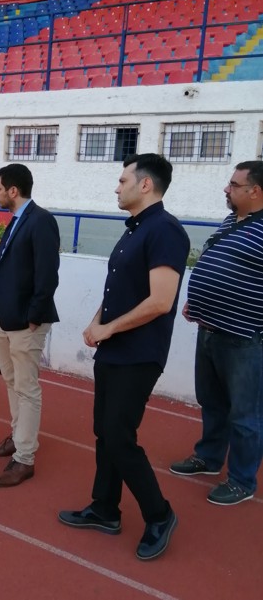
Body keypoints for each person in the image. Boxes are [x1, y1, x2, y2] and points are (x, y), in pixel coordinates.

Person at [58, 153, 190, 561]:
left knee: (118, 434)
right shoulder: (135, 230)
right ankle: (105, 508)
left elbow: (161, 301)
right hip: (115, 349)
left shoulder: (165, 230)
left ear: (145, 184)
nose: (117, 187)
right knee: (105, 430)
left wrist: (109, 328)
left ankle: (160, 514)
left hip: (140, 353)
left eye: (122, 180)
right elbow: (121, 289)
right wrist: (97, 322)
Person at [170, 161, 263, 505]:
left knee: (245, 415)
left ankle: (242, 480)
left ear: (255, 191)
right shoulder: (232, 220)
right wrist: (198, 301)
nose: (227, 188)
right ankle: (209, 457)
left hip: (244, 337)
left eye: (234, 185)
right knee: (212, 402)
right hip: (209, 328)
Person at [0, 163, 60, 487]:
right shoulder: (17, 220)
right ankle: (18, 438)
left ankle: (25, 458)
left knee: (26, 388)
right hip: (5, 318)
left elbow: (48, 274)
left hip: (26, 323)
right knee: (12, 381)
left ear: (13, 191)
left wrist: (33, 317)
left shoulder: (41, 221)